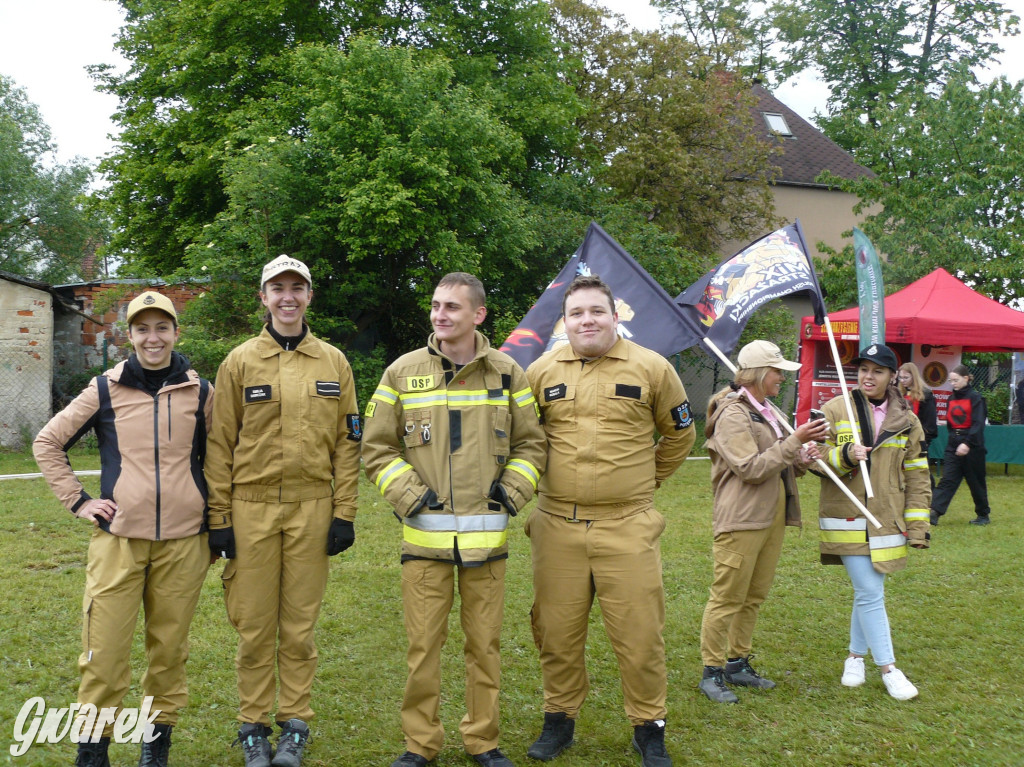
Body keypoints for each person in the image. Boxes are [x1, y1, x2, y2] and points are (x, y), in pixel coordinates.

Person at [362, 273, 546, 767]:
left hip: (487, 546)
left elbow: (533, 444)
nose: (439, 315)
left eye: (452, 307)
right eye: (435, 305)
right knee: (423, 650)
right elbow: (376, 448)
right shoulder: (402, 372)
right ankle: (419, 744)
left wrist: (510, 492)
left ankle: (483, 741)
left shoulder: (508, 373)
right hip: (424, 545)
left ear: (478, 315)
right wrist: (411, 496)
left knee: (484, 648)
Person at [33, 291, 213, 767]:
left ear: (176, 332)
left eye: (162, 328)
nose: (153, 338)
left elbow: (223, 459)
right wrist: (79, 501)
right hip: (119, 542)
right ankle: (93, 752)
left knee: (168, 652)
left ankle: (156, 747)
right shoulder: (104, 389)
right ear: (128, 335)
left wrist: (219, 523)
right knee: (104, 651)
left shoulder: (201, 392)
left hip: (185, 543)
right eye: (142, 329)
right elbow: (48, 442)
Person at [524, 274, 695, 767]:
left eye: (597, 311)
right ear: (564, 322)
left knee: (641, 635)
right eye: (576, 313)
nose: (587, 320)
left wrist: (647, 480)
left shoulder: (653, 368)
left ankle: (649, 726)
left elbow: (680, 433)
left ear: (615, 316)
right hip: (557, 524)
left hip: (628, 525)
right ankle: (559, 719)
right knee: (556, 633)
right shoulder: (539, 372)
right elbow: (525, 440)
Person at [205, 255, 361, 767]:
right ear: (264, 297)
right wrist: (219, 519)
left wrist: (344, 512)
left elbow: (348, 443)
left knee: (298, 627)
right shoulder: (239, 362)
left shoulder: (334, 363)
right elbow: (219, 445)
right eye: (278, 289)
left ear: (310, 296)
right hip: (250, 508)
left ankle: (294, 723)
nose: (288, 297)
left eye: (297, 288)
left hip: (312, 507)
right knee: (253, 627)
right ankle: (253, 725)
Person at [698, 341, 828, 704]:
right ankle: (711, 672)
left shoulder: (767, 410)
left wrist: (801, 457)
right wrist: (794, 442)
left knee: (753, 596)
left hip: (770, 517)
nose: (782, 379)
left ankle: (737, 663)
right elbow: (750, 468)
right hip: (742, 519)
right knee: (727, 598)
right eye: (777, 372)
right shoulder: (733, 414)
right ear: (758, 374)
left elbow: (777, 462)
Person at [816, 344, 930, 701]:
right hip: (846, 514)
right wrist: (845, 455)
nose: (868, 376)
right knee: (869, 591)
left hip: (886, 519)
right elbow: (812, 457)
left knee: (869, 591)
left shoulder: (908, 421)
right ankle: (889, 669)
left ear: (892, 376)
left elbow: (918, 475)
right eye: (863, 369)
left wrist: (918, 526)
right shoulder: (836, 409)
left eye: (877, 371)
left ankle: (855, 657)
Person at [930, 365, 990, 526]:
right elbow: (952, 423)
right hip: (954, 443)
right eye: (951, 381)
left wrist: (967, 443)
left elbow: (978, 424)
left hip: (973, 445)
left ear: (966, 378)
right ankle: (934, 511)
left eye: (955, 380)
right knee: (948, 479)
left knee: (975, 481)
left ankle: (983, 514)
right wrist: (954, 437)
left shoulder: (976, 398)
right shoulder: (951, 399)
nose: (953, 384)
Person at [897, 363, 938, 488]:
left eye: (906, 377)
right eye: (900, 377)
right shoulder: (899, 394)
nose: (902, 380)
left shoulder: (926, 395)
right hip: (902, 439)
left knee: (922, 472)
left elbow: (930, 423)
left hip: (919, 439)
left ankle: (930, 495)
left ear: (914, 377)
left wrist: (924, 442)